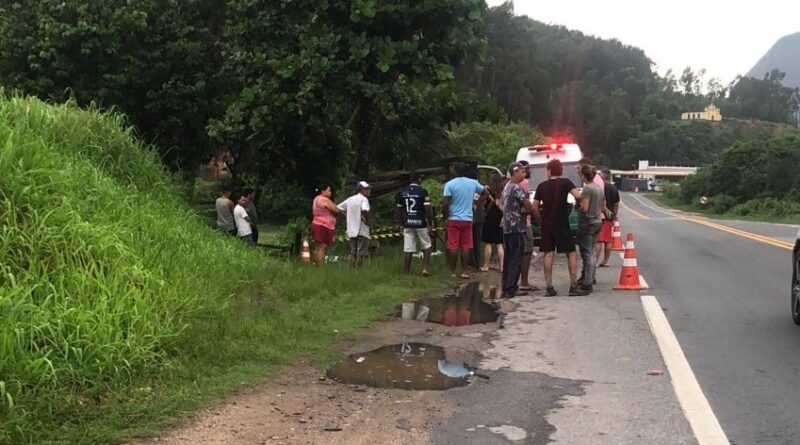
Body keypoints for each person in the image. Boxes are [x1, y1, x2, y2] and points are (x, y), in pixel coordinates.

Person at [533, 159, 582, 296]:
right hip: (562, 222)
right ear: (560, 170)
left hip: (547, 224)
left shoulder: (541, 186)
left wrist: (539, 220)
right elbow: (578, 195)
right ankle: (573, 285)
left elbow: (535, 207)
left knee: (548, 253)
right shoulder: (566, 183)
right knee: (570, 252)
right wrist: (578, 205)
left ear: (549, 170)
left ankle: (549, 287)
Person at [443, 164, 486, 278]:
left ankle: (452, 271)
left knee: (453, 245)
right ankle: (464, 271)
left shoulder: (449, 184)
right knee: (466, 246)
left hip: (453, 218)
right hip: (467, 219)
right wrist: (476, 203)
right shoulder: (472, 183)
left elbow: (446, 203)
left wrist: (445, 217)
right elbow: (485, 192)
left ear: (456, 171)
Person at [501, 162, 537, 298]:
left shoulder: (507, 187)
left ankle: (506, 285)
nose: (524, 174)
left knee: (509, 258)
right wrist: (526, 210)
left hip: (508, 228)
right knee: (517, 258)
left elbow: (503, 202)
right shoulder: (516, 188)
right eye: (522, 172)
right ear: (515, 173)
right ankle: (511, 287)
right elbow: (528, 206)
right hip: (517, 227)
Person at [395, 172, 434, 276]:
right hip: (420, 223)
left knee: (408, 248)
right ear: (419, 179)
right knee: (427, 245)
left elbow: (398, 209)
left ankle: (406, 272)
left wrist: (400, 223)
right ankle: (425, 269)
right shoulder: (423, 192)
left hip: (408, 223)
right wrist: (430, 223)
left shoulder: (402, 192)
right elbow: (427, 209)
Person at [576, 165, 605, 294]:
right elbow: (603, 206)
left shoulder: (587, 189)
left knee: (587, 253)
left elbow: (585, 208)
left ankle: (587, 282)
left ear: (583, 175)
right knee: (592, 251)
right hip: (598, 220)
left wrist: (577, 207)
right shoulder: (599, 188)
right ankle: (590, 277)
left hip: (587, 221)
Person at [338, 181, 372, 268]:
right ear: (361, 190)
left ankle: (352, 270)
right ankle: (358, 271)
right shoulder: (364, 199)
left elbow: (338, 207)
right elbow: (364, 210)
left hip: (351, 229)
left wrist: (347, 215)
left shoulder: (350, 199)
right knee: (360, 253)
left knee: (353, 251)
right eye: (367, 189)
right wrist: (367, 221)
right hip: (362, 229)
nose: (369, 191)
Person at [518, 160, 537, 291]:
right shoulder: (523, 183)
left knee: (517, 251)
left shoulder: (510, 183)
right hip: (524, 223)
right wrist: (535, 215)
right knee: (527, 251)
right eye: (528, 169)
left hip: (514, 223)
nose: (529, 171)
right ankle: (524, 281)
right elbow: (527, 205)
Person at [596, 169, 620, 267]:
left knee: (599, 240)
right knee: (608, 240)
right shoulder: (614, 189)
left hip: (600, 216)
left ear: (603, 177)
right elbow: (616, 203)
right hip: (609, 218)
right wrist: (614, 215)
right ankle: (605, 261)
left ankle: (596, 261)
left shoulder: (600, 187)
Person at [481, 174, 504, 272]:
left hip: (489, 218)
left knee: (488, 243)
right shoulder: (503, 191)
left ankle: (486, 265)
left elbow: (483, 203)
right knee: (499, 244)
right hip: (499, 218)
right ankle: (502, 266)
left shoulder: (489, 191)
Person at [311, 184, 339, 267]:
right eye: (329, 190)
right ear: (322, 191)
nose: (330, 192)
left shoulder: (316, 199)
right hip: (323, 225)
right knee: (323, 247)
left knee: (318, 246)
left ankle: (317, 265)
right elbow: (336, 210)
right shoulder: (324, 199)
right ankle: (321, 267)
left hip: (317, 223)